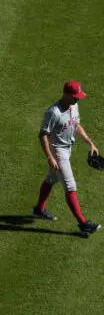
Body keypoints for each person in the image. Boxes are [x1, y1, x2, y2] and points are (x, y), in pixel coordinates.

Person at [33, 81, 101, 236]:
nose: (78, 99)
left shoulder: (74, 106)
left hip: (67, 149)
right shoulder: (54, 112)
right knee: (70, 187)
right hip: (57, 152)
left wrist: (90, 143)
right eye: (75, 96)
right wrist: (50, 157)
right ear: (66, 94)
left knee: (51, 179)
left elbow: (76, 125)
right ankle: (83, 224)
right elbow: (42, 135)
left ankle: (38, 210)